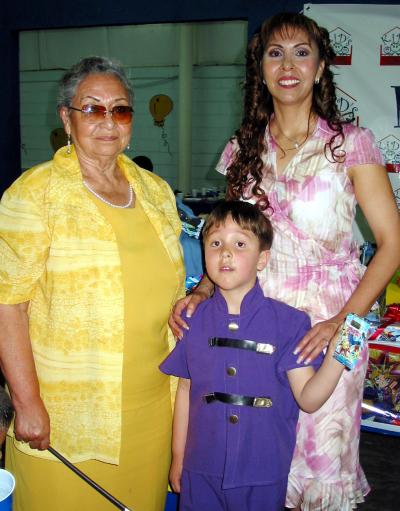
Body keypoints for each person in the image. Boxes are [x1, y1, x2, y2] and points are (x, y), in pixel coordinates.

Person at [169, 12, 400, 511]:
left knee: (319, 458)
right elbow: (232, 237)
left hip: (328, 321)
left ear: (320, 68)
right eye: (275, 52)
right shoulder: (243, 149)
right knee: (256, 452)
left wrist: (344, 321)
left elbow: (392, 243)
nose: (288, 64)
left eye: (302, 52)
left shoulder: (351, 144)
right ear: (261, 68)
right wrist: (204, 290)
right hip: (255, 317)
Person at [0, 56, 184, 511]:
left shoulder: (157, 192)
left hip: (152, 410)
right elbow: (8, 304)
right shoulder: (34, 193)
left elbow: (175, 285)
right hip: (67, 416)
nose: (108, 122)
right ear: (67, 118)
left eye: (119, 110)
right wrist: (26, 403)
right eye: (92, 109)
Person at [161, 201, 351, 511]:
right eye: (215, 243)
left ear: (262, 259)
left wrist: (341, 354)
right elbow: (185, 391)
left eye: (239, 244)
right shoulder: (192, 318)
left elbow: (308, 398)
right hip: (201, 467)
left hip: (263, 471)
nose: (225, 252)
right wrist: (179, 457)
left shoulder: (289, 323)